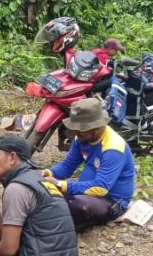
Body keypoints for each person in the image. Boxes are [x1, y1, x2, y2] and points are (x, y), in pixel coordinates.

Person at [43, 98, 136, 228]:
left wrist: (60, 184)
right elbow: (67, 165)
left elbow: (100, 188)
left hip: (110, 200)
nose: (76, 132)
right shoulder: (80, 138)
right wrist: (48, 173)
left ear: (96, 127)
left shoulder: (113, 148)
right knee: (45, 193)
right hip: (86, 192)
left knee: (76, 206)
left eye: (81, 129)